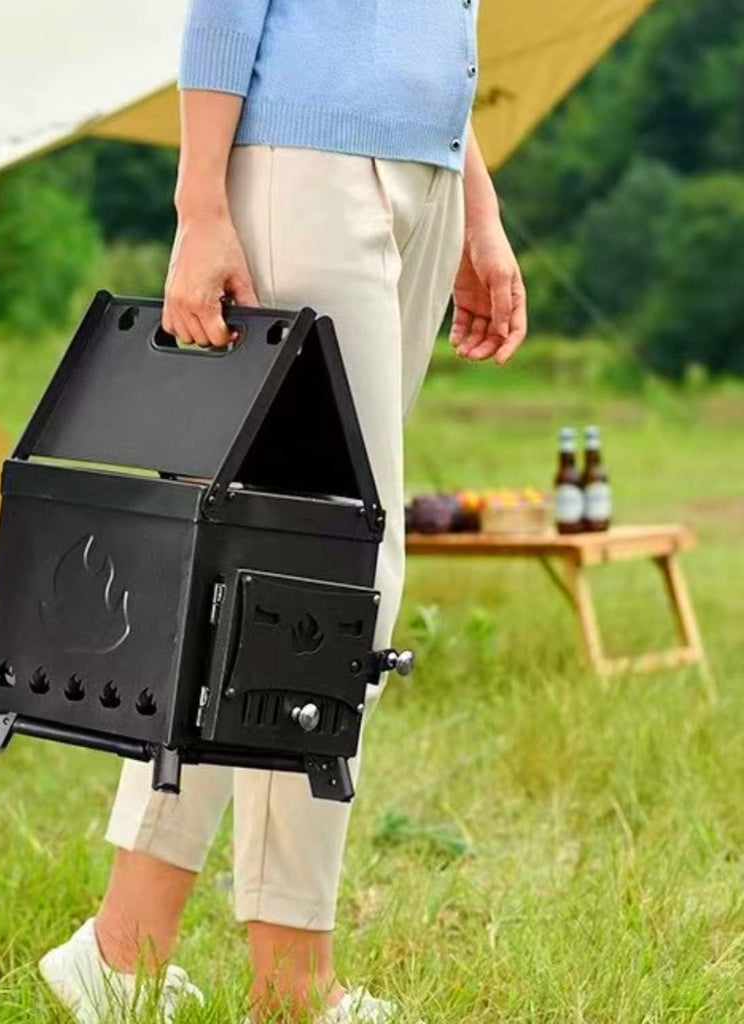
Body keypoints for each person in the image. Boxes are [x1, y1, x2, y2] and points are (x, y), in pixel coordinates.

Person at [38, 1, 526, 1021]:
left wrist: (473, 204)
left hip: (424, 175)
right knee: (325, 577)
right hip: (302, 169)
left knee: (257, 574)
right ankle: (290, 980)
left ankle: (121, 952)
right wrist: (199, 208)